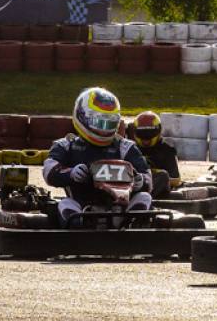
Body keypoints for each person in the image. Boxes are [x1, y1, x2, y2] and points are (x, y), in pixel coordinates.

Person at [42, 87, 153, 226]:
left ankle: (133, 227)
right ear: (81, 116)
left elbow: (147, 177)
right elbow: (49, 172)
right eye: (99, 123)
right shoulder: (66, 145)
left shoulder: (125, 147)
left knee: (144, 197)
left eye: (110, 123)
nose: (104, 128)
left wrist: (141, 181)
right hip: (82, 206)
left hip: (122, 209)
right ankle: (79, 229)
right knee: (65, 204)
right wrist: (71, 174)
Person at [128, 110, 181, 194]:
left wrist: (150, 173)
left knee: (163, 176)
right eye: (142, 134)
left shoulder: (167, 149)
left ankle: (143, 196)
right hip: (132, 182)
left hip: (154, 184)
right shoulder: (130, 147)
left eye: (149, 134)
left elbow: (176, 180)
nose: (145, 140)